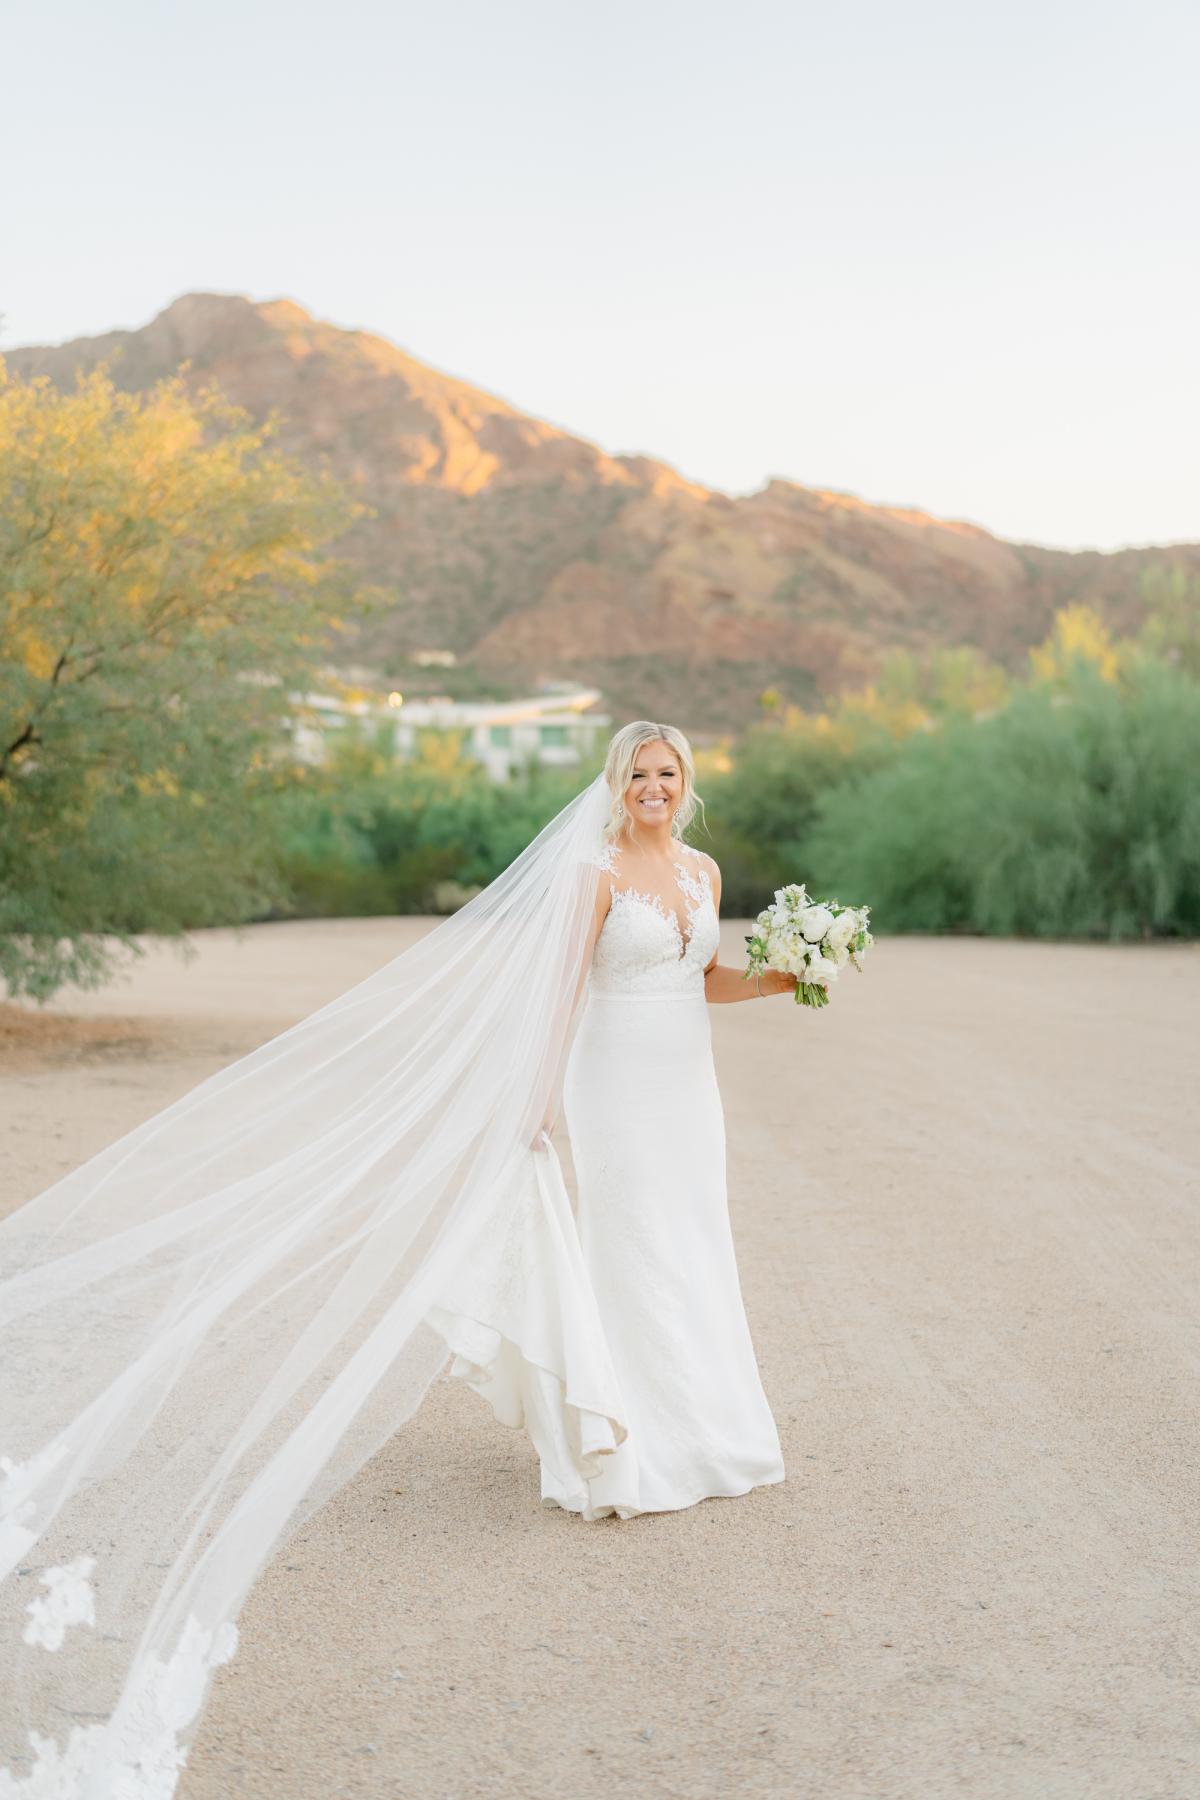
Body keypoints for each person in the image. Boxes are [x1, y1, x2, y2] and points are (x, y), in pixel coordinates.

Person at [0, 719, 794, 1795]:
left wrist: (791, 976)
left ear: (687, 785)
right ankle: (632, 1436)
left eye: (669, 775)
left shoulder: (699, 870)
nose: (655, 788)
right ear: (618, 785)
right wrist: (532, 1107)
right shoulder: (595, 873)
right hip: (611, 1087)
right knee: (632, 1251)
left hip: (683, 1089)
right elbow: (561, 995)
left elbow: (706, 979)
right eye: (640, 775)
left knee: (694, 1244)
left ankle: (712, 1425)